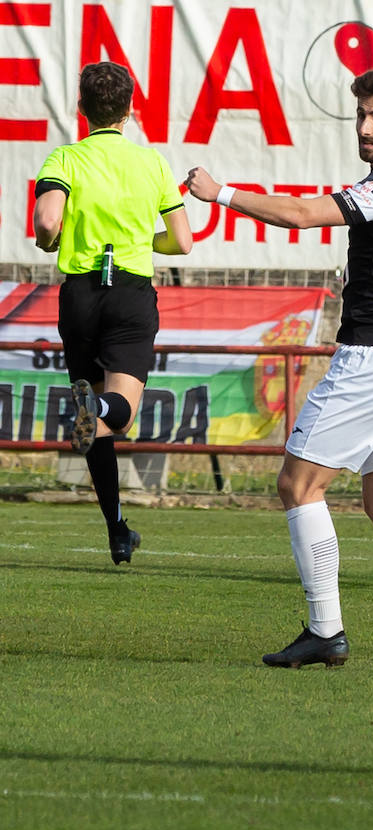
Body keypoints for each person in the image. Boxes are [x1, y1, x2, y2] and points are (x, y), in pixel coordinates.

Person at [184, 59, 373, 672]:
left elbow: (302, 216)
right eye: (361, 115)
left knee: (298, 486)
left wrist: (220, 193)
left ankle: (325, 629)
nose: (365, 127)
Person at [32, 61, 193, 565]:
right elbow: (182, 241)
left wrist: (50, 241)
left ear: (81, 108)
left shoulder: (65, 157)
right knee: (114, 414)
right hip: (129, 293)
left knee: (94, 422)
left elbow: (47, 222)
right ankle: (98, 408)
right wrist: (142, 240)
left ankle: (117, 530)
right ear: (129, 110)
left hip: (80, 294)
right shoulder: (152, 163)